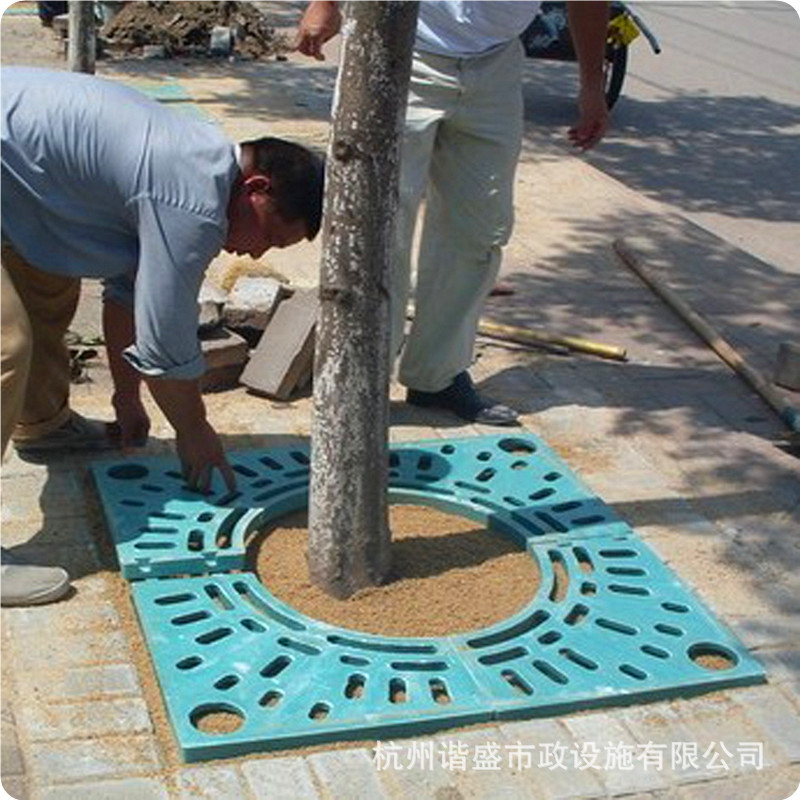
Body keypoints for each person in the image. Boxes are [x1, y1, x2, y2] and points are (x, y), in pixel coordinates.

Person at [1, 66, 324, 606]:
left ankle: (42, 424)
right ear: (257, 188)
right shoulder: (192, 203)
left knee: (47, 281)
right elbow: (165, 340)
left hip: (12, 178)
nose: (256, 252)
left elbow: (129, 295)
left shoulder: (200, 157)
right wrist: (193, 429)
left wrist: (127, 399)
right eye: (269, 235)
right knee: (6, 347)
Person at [296, 0, 609, 425]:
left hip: (495, 67)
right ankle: (362, 379)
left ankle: (436, 376)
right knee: (378, 228)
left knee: (477, 233)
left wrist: (592, 85)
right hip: (398, 49)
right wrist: (325, 4)